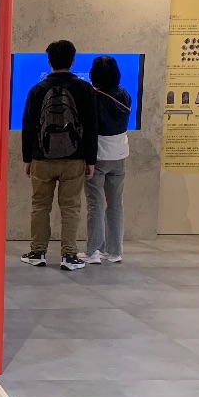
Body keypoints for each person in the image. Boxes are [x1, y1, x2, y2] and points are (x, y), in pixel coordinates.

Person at [21, 40, 98, 271]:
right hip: (74, 158)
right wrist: (90, 160)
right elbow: (91, 127)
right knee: (71, 208)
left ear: (49, 62)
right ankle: (69, 255)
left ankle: (37, 252)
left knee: (40, 206)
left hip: (42, 158)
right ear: (73, 61)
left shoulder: (37, 90)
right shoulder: (85, 89)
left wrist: (28, 158)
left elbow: (28, 126)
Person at [81, 56, 130, 264]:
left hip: (98, 156)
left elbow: (90, 129)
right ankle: (115, 251)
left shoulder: (93, 97)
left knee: (95, 204)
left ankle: (94, 251)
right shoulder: (125, 95)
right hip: (119, 155)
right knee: (116, 204)